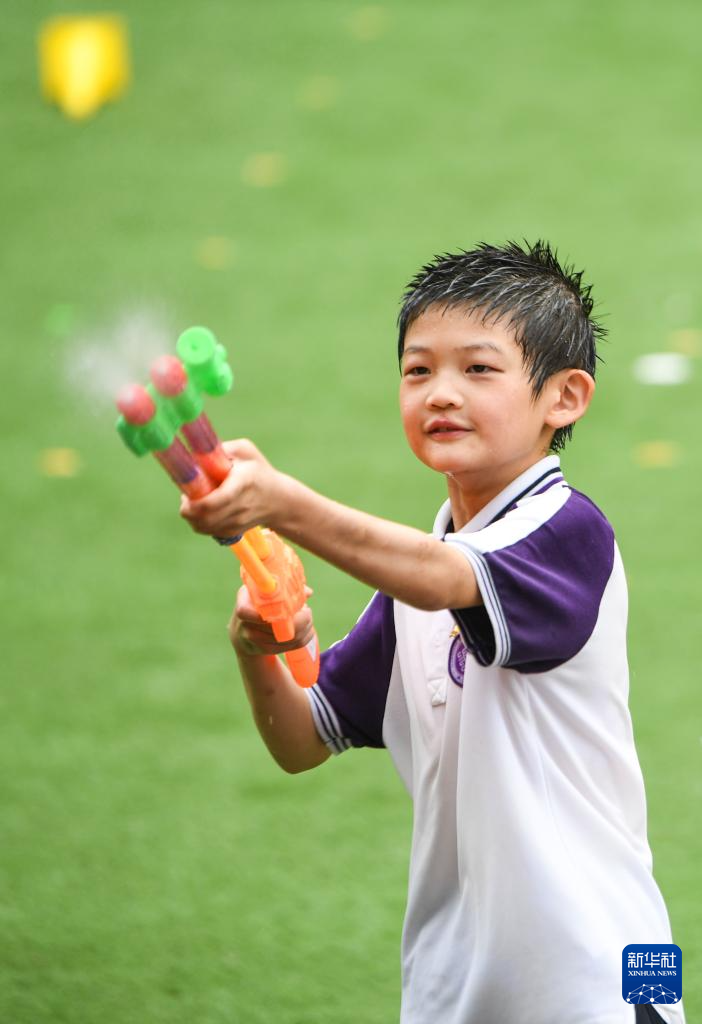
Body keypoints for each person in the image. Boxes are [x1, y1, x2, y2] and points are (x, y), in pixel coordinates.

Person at [181, 241, 685, 1024]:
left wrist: (282, 504)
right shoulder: (420, 579)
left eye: (478, 369)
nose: (440, 393)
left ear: (565, 397)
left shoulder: (568, 532)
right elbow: (303, 738)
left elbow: (447, 577)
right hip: (455, 992)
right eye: (418, 370)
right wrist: (256, 648)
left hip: (606, 978)